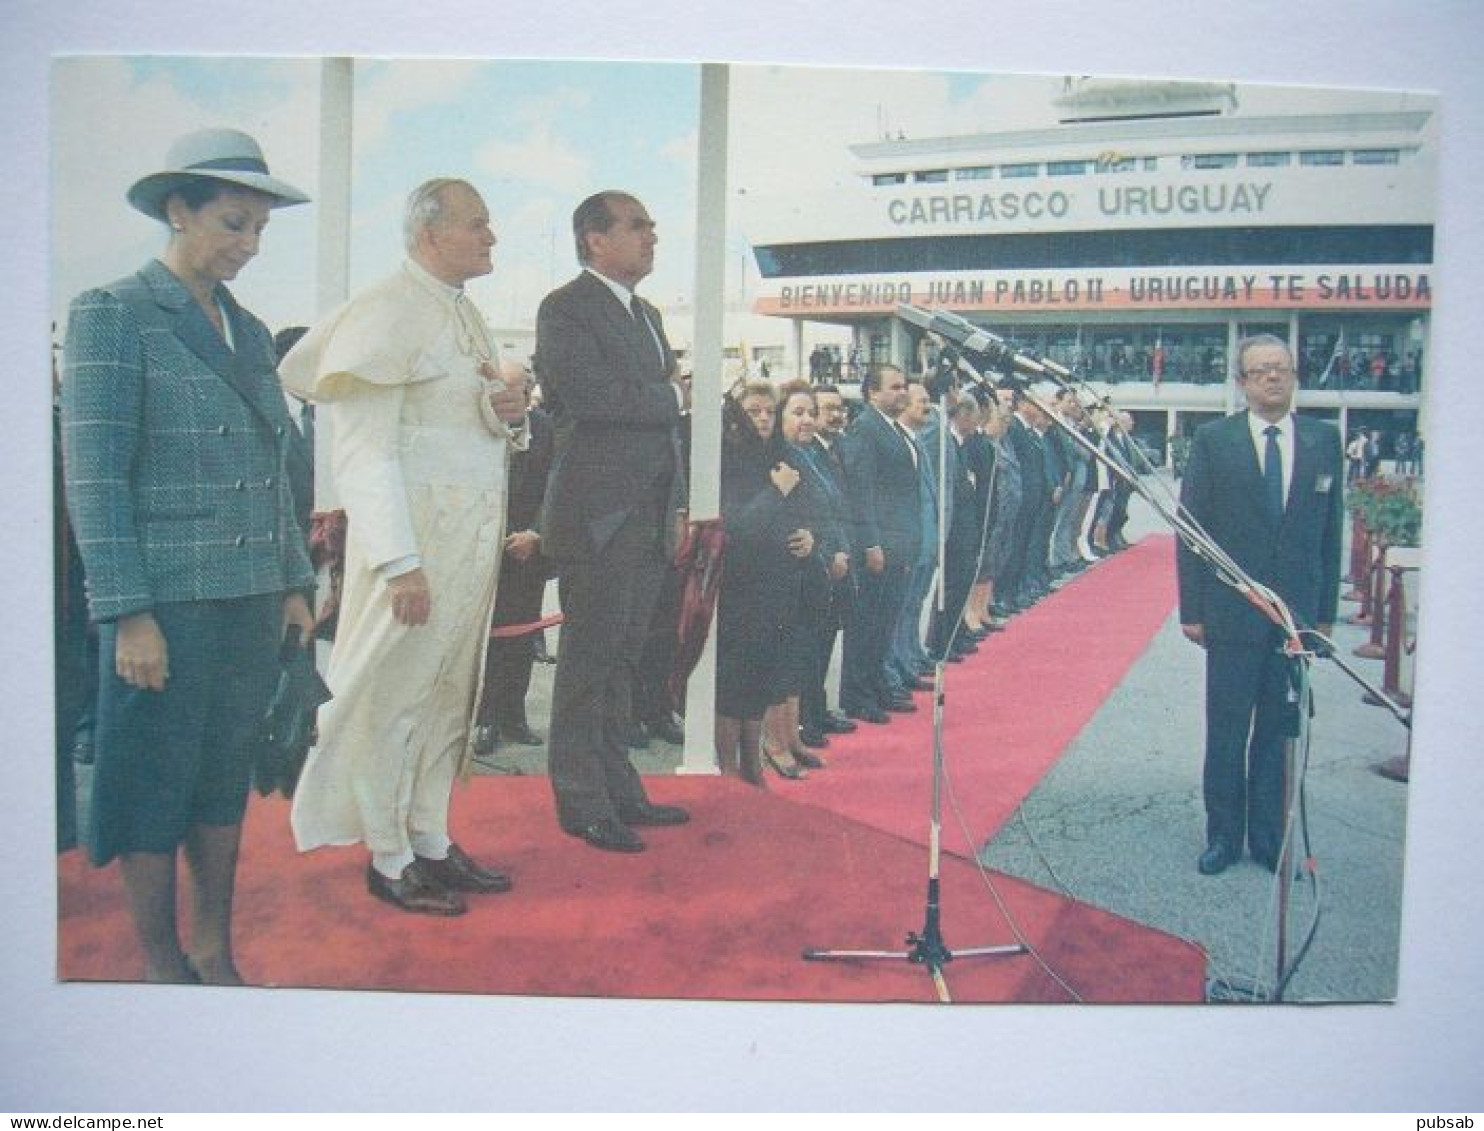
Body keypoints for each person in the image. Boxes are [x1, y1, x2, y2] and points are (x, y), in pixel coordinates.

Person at [60, 128, 316, 982]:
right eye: (232, 224)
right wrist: (126, 612)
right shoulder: (115, 311)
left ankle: (214, 943)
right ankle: (163, 958)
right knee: (147, 787)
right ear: (178, 210)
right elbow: (95, 480)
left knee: (219, 782)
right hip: (163, 607)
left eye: (258, 232)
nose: (247, 246)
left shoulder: (245, 329)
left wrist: (291, 581)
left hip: (246, 600)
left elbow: (273, 465)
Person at [285, 179, 527, 915]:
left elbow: (460, 426)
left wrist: (501, 412)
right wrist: (398, 562)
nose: (492, 237)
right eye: (478, 225)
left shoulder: (463, 313)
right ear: (429, 234)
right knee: (393, 698)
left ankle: (429, 834)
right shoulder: (385, 309)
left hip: (467, 544)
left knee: (449, 693)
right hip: (414, 550)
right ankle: (388, 855)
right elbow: (365, 452)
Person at [535, 191, 690, 853]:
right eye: (636, 226)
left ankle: (619, 786)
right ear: (594, 240)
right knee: (589, 662)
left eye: (651, 225)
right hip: (600, 516)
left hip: (648, 514)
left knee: (625, 658)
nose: (651, 235)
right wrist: (673, 395)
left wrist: (676, 502)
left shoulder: (647, 312)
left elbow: (655, 421)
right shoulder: (565, 308)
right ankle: (581, 799)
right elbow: (592, 398)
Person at [1177, 335, 1343, 875]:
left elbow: (1329, 532)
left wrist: (1322, 614)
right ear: (1242, 382)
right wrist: (1192, 609)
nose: (1273, 378)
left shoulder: (1323, 440)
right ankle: (1223, 835)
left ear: (1294, 377)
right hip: (1230, 614)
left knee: (1277, 730)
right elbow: (1191, 531)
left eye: (1281, 369)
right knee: (1226, 730)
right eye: (1260, 370)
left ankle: (1269, 839)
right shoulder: (1214, 440)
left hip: (1294, 619)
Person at [474, 360, 554, 754]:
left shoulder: (549, 431)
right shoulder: (475, 428)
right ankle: (484, 719)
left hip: (528, 554)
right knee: (485, 640)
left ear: (529, 392)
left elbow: (557, 487)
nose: (508, 399)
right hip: (481, 553)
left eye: (516, 391)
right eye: (499, 392)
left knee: (522, 638)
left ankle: (513, 716)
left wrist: (537, 534)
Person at [838, 364, 921, 724]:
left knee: (885, 621)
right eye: (895, 387)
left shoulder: (895, 430)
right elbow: (862, 490)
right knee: (867, 622)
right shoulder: (865, 430)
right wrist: (871, 543)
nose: (902, 393)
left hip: (900, 542)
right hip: (879, 545)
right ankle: (858, 694)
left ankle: (877, 685)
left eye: (904, 386)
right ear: (873, 392)